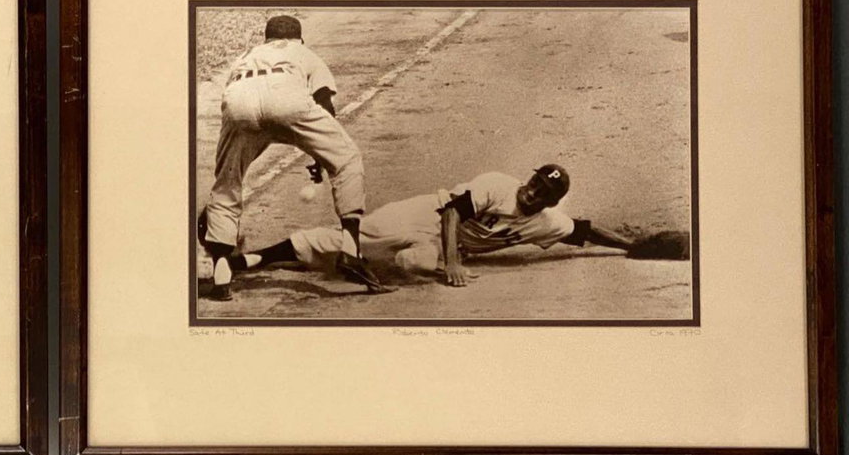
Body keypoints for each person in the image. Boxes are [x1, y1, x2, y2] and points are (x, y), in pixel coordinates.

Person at [200, 15, 387, 301]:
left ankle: (221, 274)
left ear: (266, 39)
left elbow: (235, 97)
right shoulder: (303, 52)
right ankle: (351, 250)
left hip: (239, 108)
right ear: (299, 39)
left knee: (227, 185)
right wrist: (322, 152)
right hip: (288, 102)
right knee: (347, 160)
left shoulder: (245, 56)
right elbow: (324, 101)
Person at [229, 165, 636, 289]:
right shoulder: (498, 185)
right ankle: (247, 260)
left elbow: (585, 231)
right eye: (533, 185)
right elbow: (453, 214)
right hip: (426, 214)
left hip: (438, 246)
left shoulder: (549, 223)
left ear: (551, 202)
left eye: (542, 193)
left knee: (406, 262)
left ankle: (297, 262)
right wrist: (454, 265)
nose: (531, 194)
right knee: (347, 242)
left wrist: (633, 246)